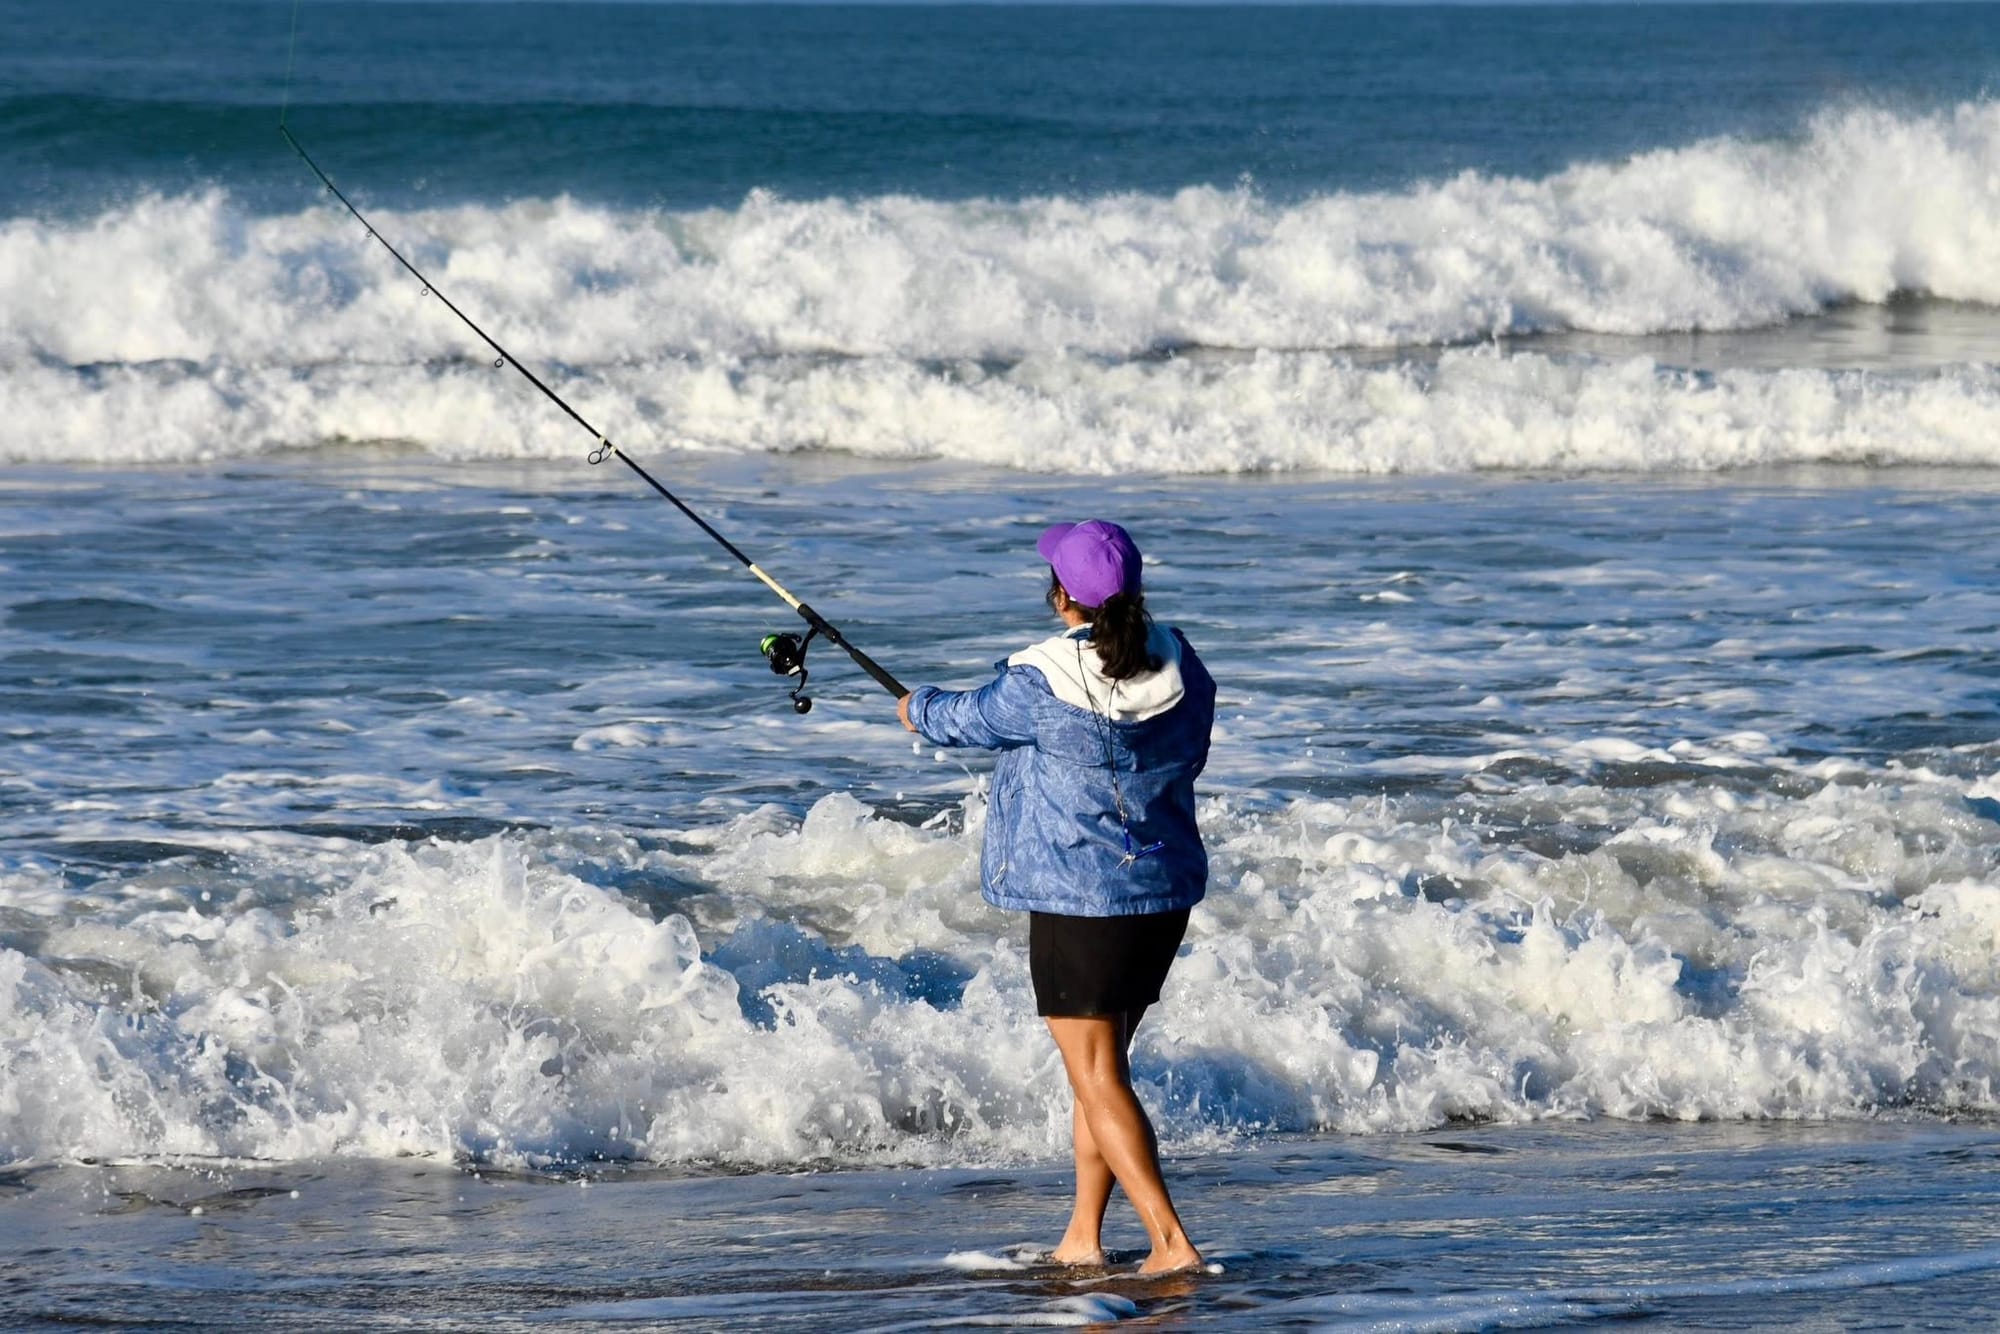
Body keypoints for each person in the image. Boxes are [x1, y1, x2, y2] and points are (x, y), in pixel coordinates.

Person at [897, 519, 1216, 1274]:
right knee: (1102, 1072)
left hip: (1083, 903)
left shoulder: (1040, 681)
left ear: (1062, 596)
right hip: (1160, 892)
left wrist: (917, 706)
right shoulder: (1183, 660)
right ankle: (1083, 1236)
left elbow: (964, 718)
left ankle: (1171, 1244)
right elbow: (1186, 747)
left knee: (1096, 1073)